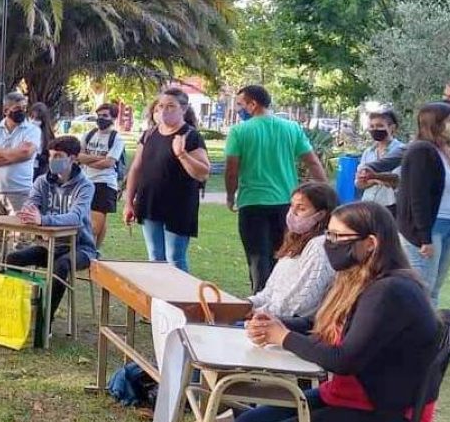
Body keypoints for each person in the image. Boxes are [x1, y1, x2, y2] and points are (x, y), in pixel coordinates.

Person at [234, 201, 439, 422]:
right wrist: (275, 325)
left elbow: (344, 359)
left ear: (370, 244)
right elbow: (322, 326)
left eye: (337, 238)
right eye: (327, 235)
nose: (328, 245)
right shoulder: (361, 278)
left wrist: (284, 337)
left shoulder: (391, 292)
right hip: (351, 400)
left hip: (388, 420)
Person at [225, 84, 328, 293]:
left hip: (252, 202)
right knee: (284, 255)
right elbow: (313, 163)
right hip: (286, 204)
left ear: (252, 104)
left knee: (257, 258)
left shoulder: (239, 131)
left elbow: (231, 170)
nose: (238, 109)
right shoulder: (291, 128)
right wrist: (325, 195)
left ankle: (261, 303)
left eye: (240, 104)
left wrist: (230, 195)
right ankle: (280, 300)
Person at [5, 136, 97, 318]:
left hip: (79, 249)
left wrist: (43, 220)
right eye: (51, 155)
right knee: (12, 258)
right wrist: (27, 213)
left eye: (59, 156)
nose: (53, 160)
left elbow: (76, 217)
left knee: (61, 266)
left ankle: (45, 319)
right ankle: (15, 310)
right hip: (49, 246)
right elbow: (31, 204)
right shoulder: (42, 181)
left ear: (73, 158)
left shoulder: (86, 186)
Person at [122, 88, 211, 272]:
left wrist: (182, 154)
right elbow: (136, 169)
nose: (164, 111)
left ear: (183, 109)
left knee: (174, 258)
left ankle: (179, 299)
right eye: (161, 106)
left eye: (171, 106)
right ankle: (159, 299)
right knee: (155, 256)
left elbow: (203, 172)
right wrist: (129, 202)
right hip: (150, 203)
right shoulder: (149, 134)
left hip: (178, 206)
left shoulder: (190, 136)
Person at [248, 182, 339, 319]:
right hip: (270, 317)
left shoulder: (319, 247)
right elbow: (269, 292)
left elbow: (300, 303)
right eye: (292, 206)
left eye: (301, 209)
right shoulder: (294, 242)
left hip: (292, 325)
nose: (292, 213)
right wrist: (245, 304)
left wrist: (259, 313)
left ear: (320, 214)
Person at [396, 102, 450, 306]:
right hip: (428, 230)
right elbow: (417, 196)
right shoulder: (421, 151)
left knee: (434, 288)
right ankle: (418, 333)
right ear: (436, 123)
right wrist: (424, 237)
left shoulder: (445, 151)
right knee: (422, 288)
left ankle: (433, 332)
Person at [0, 92, 42, 216]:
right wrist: (15, 156)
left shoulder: (32, 130)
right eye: (17, 109)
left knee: (18, 234)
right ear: (6, 110)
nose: (22, 111)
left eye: (24, 108)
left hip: (20, 192)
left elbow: (26, 153)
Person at [79, 103, 126, 246]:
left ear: (113, 117)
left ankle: (91, 252)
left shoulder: (116, 138)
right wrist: (100, 158)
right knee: (90, 220)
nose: (101, 119)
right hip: (86, 181)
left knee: (95, 225)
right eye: (99, 116)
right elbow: (79, 156)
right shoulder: (89, 135)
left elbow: (110, 163)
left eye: (105, 116)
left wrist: (88, 160)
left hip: (105, 183)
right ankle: (93, 252)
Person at [355, 111, 404, 213]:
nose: (375, 129)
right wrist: (376, 179)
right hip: (368, 204)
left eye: (379, 126)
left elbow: (396, 180)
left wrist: (371, 178)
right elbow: (359, 183)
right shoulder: (368, 152)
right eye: (372, 126)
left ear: (392, 128)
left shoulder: (401, 151)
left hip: (391, 206)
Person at [28, 102, 57, 180]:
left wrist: (37, 156)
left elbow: (51, 156)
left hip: (39, 170)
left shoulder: (47, 135)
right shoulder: (24, 131)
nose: (33, 121)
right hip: (26, 169)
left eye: (37, 118)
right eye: (31, 117)